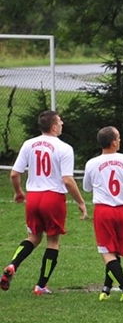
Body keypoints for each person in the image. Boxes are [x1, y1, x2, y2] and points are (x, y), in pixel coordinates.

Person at [1, 110, 88, 295]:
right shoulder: (64, 148)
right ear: (54, 126)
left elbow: (15, 173)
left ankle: (12, 265)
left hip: (33, 197)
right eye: (60, 121)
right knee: (53, 241)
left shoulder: (28, 144)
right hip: (53, 197)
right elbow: (67, 180)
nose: (63, 123)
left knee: (33, 237)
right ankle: (40, 286)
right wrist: (80, 202)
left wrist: (18, 192)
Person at [82, 126, 123, 302]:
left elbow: (86, 187)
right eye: (119, 137)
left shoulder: (92, 163)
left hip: (104, 210)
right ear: (113, 142)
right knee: (114, 251)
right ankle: (106, 288)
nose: (120, 140)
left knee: (106, 251)